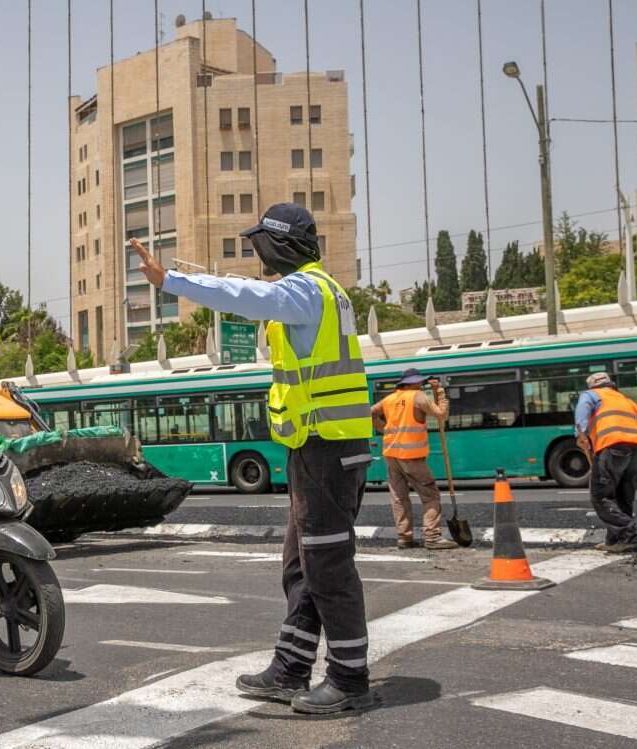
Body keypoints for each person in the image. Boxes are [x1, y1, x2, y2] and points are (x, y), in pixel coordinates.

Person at [131, 203, 374, 715]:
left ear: (280, 243)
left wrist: (169, 279)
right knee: (301, 563)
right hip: (317, 447)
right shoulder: (323, 291)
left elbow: (246, 295)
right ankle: (290, 669)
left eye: (261, 242)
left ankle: (350, 678)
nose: (256, 251)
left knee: (327, 564)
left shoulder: (307, 290)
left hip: (327, 446)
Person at [371, 369, 458, 551]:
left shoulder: (389, 399)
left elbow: (370, 412)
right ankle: (433, 537)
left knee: (399, 497)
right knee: (430, 495)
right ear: (410, 383)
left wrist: (384, 428)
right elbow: (442, 414)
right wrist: (440, 393)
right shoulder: (417, 396)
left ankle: (404, 538)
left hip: (391, 456)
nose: (421, 385)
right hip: (412, 457)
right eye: (419, 382)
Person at [575, 371, 637, 553]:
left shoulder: (591, 395)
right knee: (623, 498)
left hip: (612, 447)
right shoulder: (626, 400)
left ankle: (630, 534)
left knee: (600, 496)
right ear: (610, 384)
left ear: (592, 386)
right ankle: (614, 541)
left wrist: (580, 434)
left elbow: (582, 410)